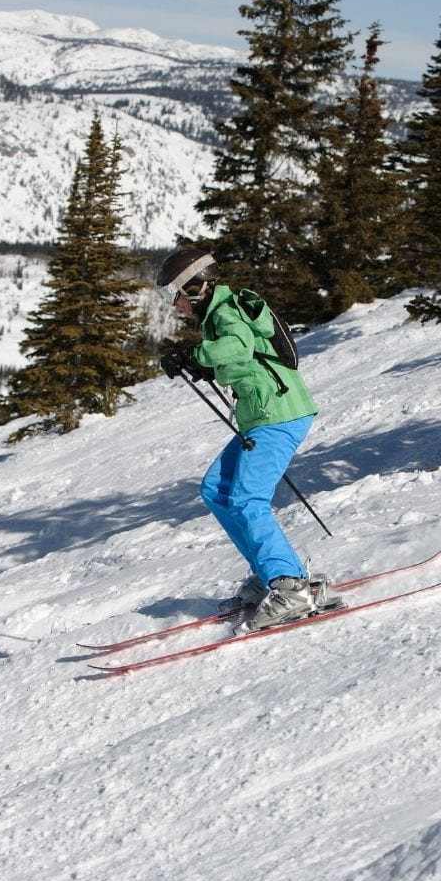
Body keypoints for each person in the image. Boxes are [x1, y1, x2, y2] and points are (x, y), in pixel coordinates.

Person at [155, 247, 324, 631]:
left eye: (174, 295)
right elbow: (244, 356)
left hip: (279, 415)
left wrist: (196, 354)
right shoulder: (222, 311)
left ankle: (290, 585)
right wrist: (200, 362)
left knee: (248, 497)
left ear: (194, 287)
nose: (175, 305)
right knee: (216, 488)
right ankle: (271, 574)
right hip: (261, 415)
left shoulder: (225, 311)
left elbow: (238, 345)